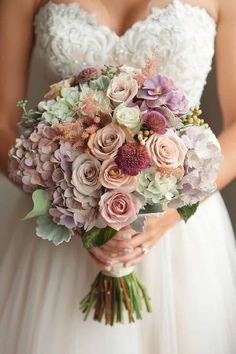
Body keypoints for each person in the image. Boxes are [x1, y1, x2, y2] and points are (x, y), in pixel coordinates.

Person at [0, 0, 236, 353]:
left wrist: (167, 215)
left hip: (180, 231)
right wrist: (74, 210)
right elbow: (3, 122)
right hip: (60, 223)